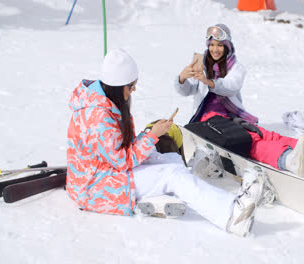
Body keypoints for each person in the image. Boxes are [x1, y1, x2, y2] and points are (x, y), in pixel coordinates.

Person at [66, 48, 266, 237]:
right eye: (131, 85)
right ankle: (232, 215)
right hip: (97, 187)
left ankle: (174, 194)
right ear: (117, 86)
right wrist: (152, 135)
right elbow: (120, 160)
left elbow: (118, 149)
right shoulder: (98, 116)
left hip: (105, 174)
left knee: (169, 158)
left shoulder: (104, 102)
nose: (134, 89)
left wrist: (151, 136)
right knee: (173, 175)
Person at [174, 24, 304, 178]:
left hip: (230, 118)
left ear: (227, 46)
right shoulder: (202, 66)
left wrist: (210, 82)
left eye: (220, 45)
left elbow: (231, 87)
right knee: (252, 140)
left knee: (263, 133)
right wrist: (182, 78)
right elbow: (188, 90)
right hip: (208, 121)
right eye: (212, 45)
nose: (215, 49)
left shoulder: (236, 68)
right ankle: (289, 159)